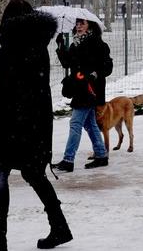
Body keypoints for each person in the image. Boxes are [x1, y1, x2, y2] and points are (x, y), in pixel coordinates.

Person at [0, 0, 69, 251]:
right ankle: (59, 226)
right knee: (34, 173)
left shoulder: (11, 47)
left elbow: (10, 86)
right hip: (36, 123)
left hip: (11, 124)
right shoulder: (39, 45)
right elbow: (28, 83)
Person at [53, 17, 113, 172]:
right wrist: (60, 45)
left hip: (91, 90)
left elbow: (107, 67)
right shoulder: (75, 44)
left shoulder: (98, 44)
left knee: (75, 124)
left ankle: (68, 160)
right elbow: (67, 63)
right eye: (77, 24)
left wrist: (92, 74)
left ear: (90, 26)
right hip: (79, 89)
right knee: (90, 124)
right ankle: (101, 155)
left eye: (82, 23)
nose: (79, 26)